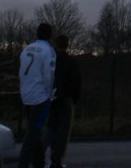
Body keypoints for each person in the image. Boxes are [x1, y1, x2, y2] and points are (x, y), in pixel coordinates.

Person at [19, 23, 56, 168]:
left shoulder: (27, 49)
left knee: (35, 131)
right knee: (33, 134)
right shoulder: (48, 50)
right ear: (50, 35)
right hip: (40, 98)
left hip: (26, 96)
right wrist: (49, 95)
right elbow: (49, 75)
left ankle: (39, 163)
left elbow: (22, 72)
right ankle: (22, 164)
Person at [49, 35, 81, 168]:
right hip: (66, 98)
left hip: (51, 98)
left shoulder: (50, 60)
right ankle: (57, 159)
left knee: (52, 128)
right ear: (67, 45)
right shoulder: (71, 62)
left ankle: (46, 155)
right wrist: (75, 98)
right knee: (63, 130)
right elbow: (77, 82)